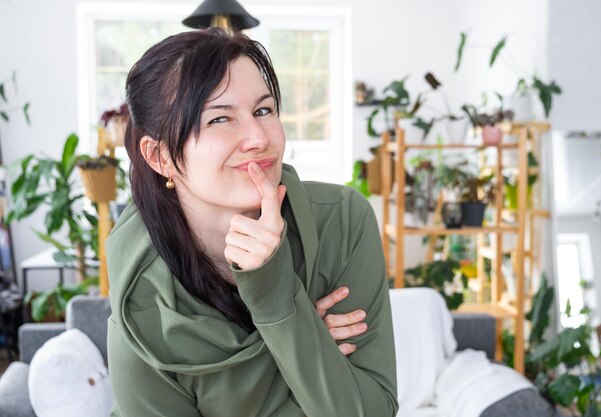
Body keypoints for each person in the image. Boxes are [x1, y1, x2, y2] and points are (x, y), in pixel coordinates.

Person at [106, 28, 398, 417]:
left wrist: (276, 295)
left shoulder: (341, 220)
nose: (258, 138)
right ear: (160, 158)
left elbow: (372, 411)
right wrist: (306, 344)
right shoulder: (140, 299)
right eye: (219, 119)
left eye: (263, 110)